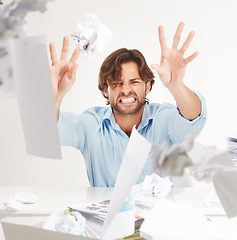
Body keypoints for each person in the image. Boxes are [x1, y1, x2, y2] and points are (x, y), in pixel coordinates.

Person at [49, 22, 207, 187]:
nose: (125, 90)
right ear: (105, 90)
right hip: (107, 212)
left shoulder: (162, 119)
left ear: (148, 86)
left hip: (158, 212)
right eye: (117, 83)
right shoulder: (92, 124)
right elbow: (49, 132)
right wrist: (56, 96)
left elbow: (193, 119)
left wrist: (176, 86)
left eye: (134, 82)